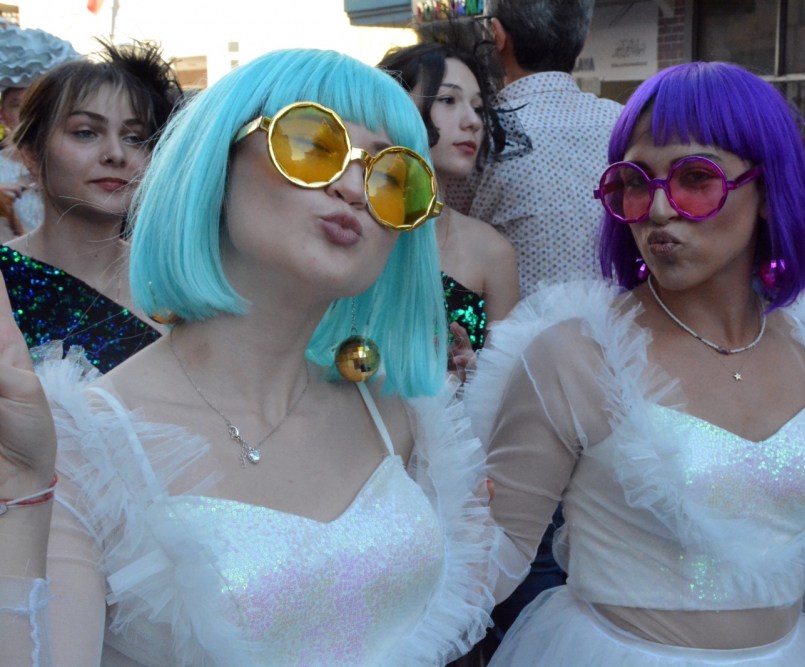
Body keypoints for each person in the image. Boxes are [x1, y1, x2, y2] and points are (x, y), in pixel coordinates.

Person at [466, 61, 805, 666]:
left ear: (768, 192)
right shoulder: (574, 354)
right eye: (635, 181)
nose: (658, 208)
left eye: (696, 177)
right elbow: (486, 566)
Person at [0, 48, 494, 665]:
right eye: (312, 145)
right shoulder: (81, 445)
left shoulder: (405, 413)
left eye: (394, 178)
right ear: (218, 161)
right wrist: (21, 495)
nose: (353, 189)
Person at [0, 41, 181, 372]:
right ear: (32, 153)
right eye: (85, 133)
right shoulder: (5, 279)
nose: (115, 154)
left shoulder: (179, 284)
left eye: (134, 138)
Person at [443, 0, 622, 297]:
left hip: (512, 322)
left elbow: (446, 230)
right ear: (583, 40)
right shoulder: (622, 122)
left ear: (497, 35)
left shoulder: (478, 131)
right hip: (622, 319)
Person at [378, 41, 519, 354]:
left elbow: (506, 377)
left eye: (478, 107)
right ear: (396, 106)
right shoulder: (352, 226)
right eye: (448, 100)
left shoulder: (492, 251)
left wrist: (476, 373)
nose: (473, 121)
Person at [0, 20, 78, 237]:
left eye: (34, 105)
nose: (26, 114)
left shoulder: (71, 161)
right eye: (17, 105)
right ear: (2, 115)